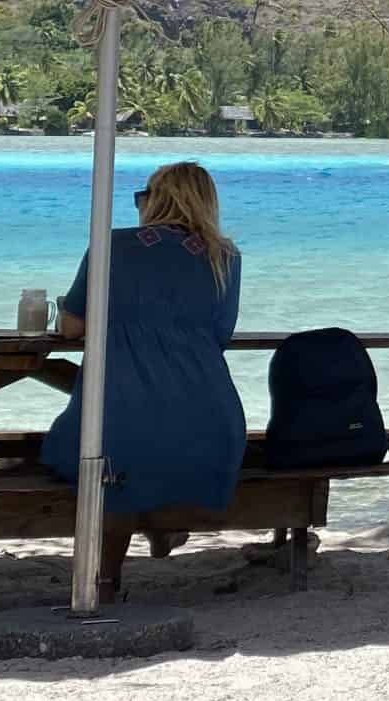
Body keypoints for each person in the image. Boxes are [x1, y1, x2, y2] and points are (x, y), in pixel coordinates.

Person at [43, 161, 244, 601]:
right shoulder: (225, 257)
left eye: (144, 195)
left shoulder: (113, 246)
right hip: (212, 422)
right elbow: (220, 334)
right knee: (147, 448)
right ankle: (163, 524)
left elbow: (73, 327)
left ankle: (107, 581)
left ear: (157, 199)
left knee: (103, 456)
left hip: (121, 416)